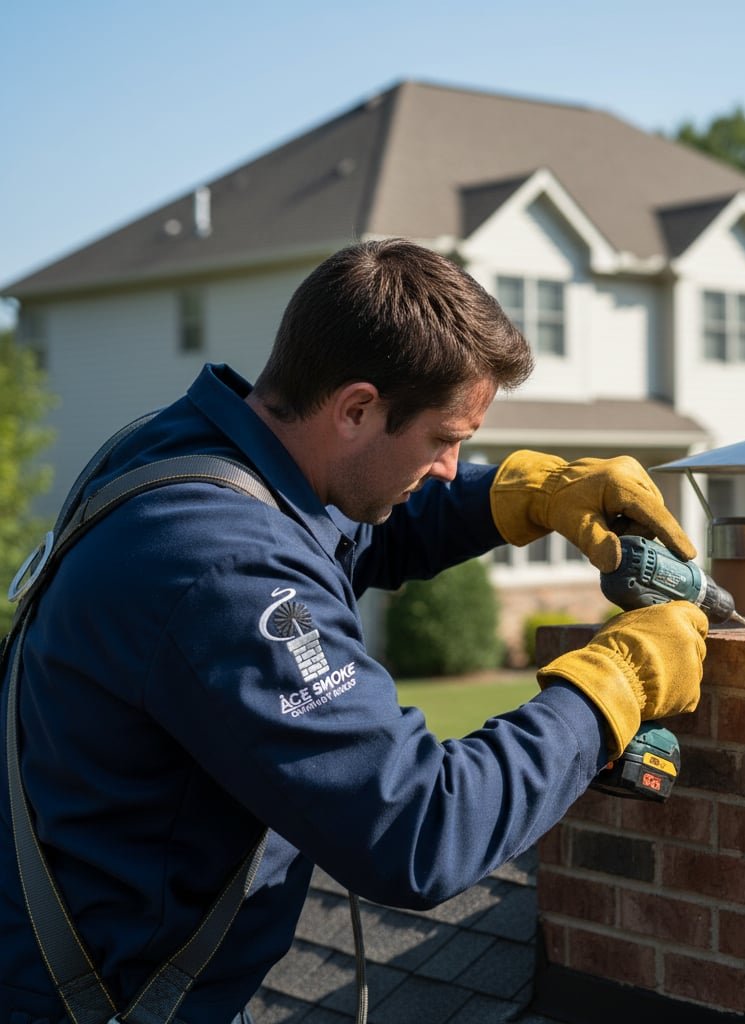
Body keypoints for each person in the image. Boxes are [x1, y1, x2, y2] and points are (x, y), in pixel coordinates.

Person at [1, 239, 708, 1024]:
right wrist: (611, 687)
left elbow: (350, 526)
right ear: (357, 409)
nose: (451, 465)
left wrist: (518, 495)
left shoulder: (191, 453)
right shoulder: (225, 567)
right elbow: (419, 828)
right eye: (444, 440)